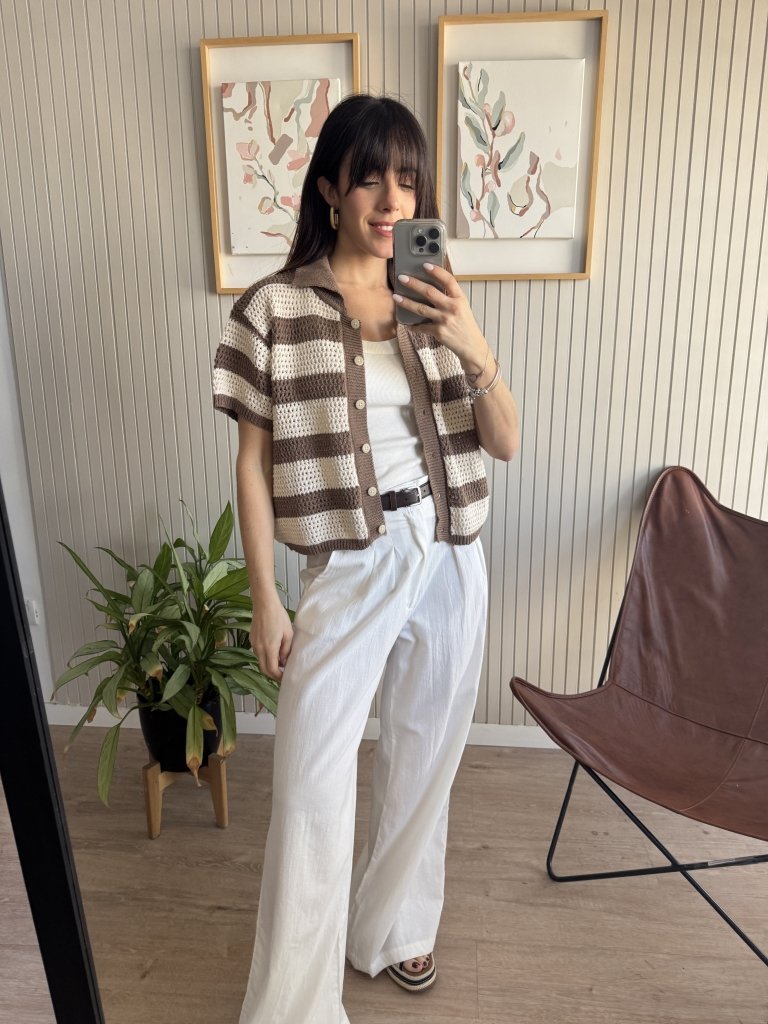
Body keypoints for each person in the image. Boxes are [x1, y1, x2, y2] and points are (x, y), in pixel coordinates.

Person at [212, 93, 519, 1024]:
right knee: (312, 780)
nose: (392, 202)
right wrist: (266, 599)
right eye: (372, 178)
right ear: (330, 188)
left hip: (449, 548)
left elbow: (506, 441)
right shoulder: (272, 309)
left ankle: (392, 926)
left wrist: (470, 340)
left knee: (426, 754)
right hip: (350, 560)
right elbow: (252, 466)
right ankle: (295, 1007)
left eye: (408, 181)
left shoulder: (433, 297)